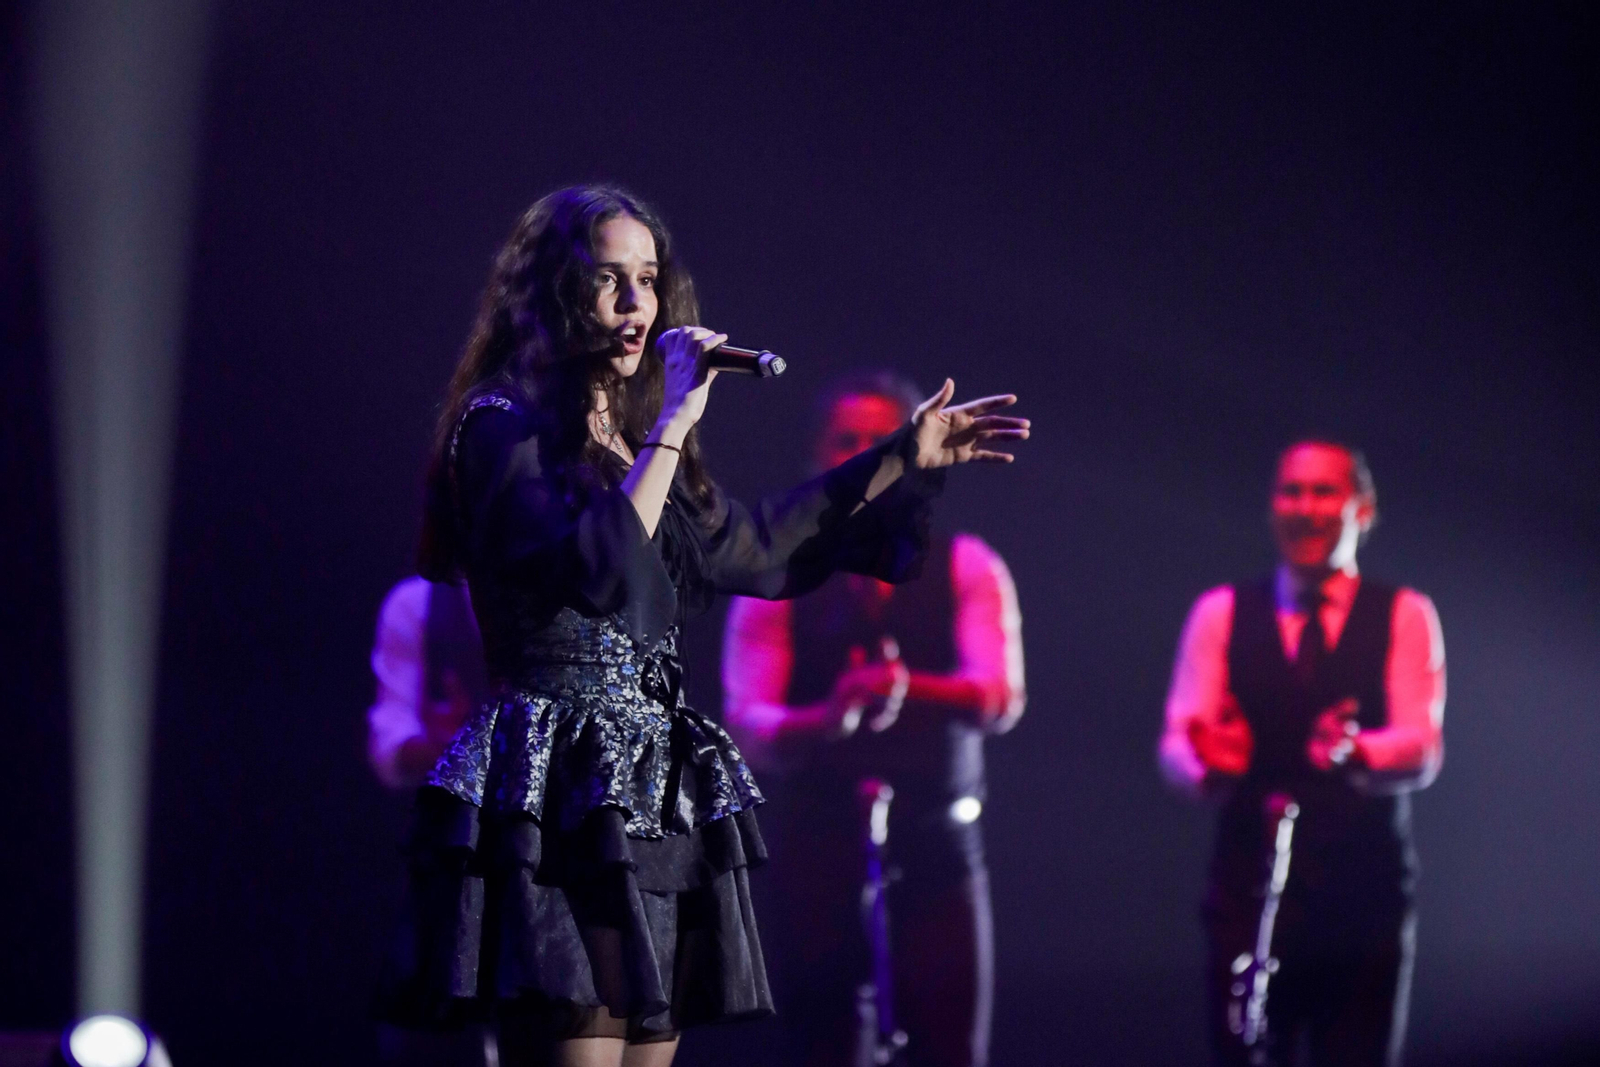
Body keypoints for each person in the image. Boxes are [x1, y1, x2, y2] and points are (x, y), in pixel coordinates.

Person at [377, 185, 1031, 1067]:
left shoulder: (635, 437)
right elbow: (597, 566)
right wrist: (677, 421)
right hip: (558, 786)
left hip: (652, 785)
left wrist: (898, 459)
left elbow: (758, 547)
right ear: (552, 293)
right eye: (607, 279)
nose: (634, 303)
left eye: (646, 279)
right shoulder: (502, 427)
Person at [721, 371, 1026, 1067]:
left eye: (882, 441)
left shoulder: (967, 564)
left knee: (953, 1050)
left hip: (939, 845)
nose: (864, 456)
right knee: (822, 1047)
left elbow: (1001, 695)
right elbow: (750, 726)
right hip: (816, 847)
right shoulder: (774, 573)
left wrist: (904, 687)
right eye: (846, 442)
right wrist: (831, 716)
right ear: (816, 457)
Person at [1159, 441, 1446, 1067]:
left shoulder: (1405, 613)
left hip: (1362, 899)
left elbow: (1422, 746)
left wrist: (1356, 752)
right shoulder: (1221, 612)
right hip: (1246, 892)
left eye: (1324, 492)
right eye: (1291, 492)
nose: (1304, 508)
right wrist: (1206, 764)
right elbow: (1177, 741)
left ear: (1363, 510)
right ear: (1271, 507)